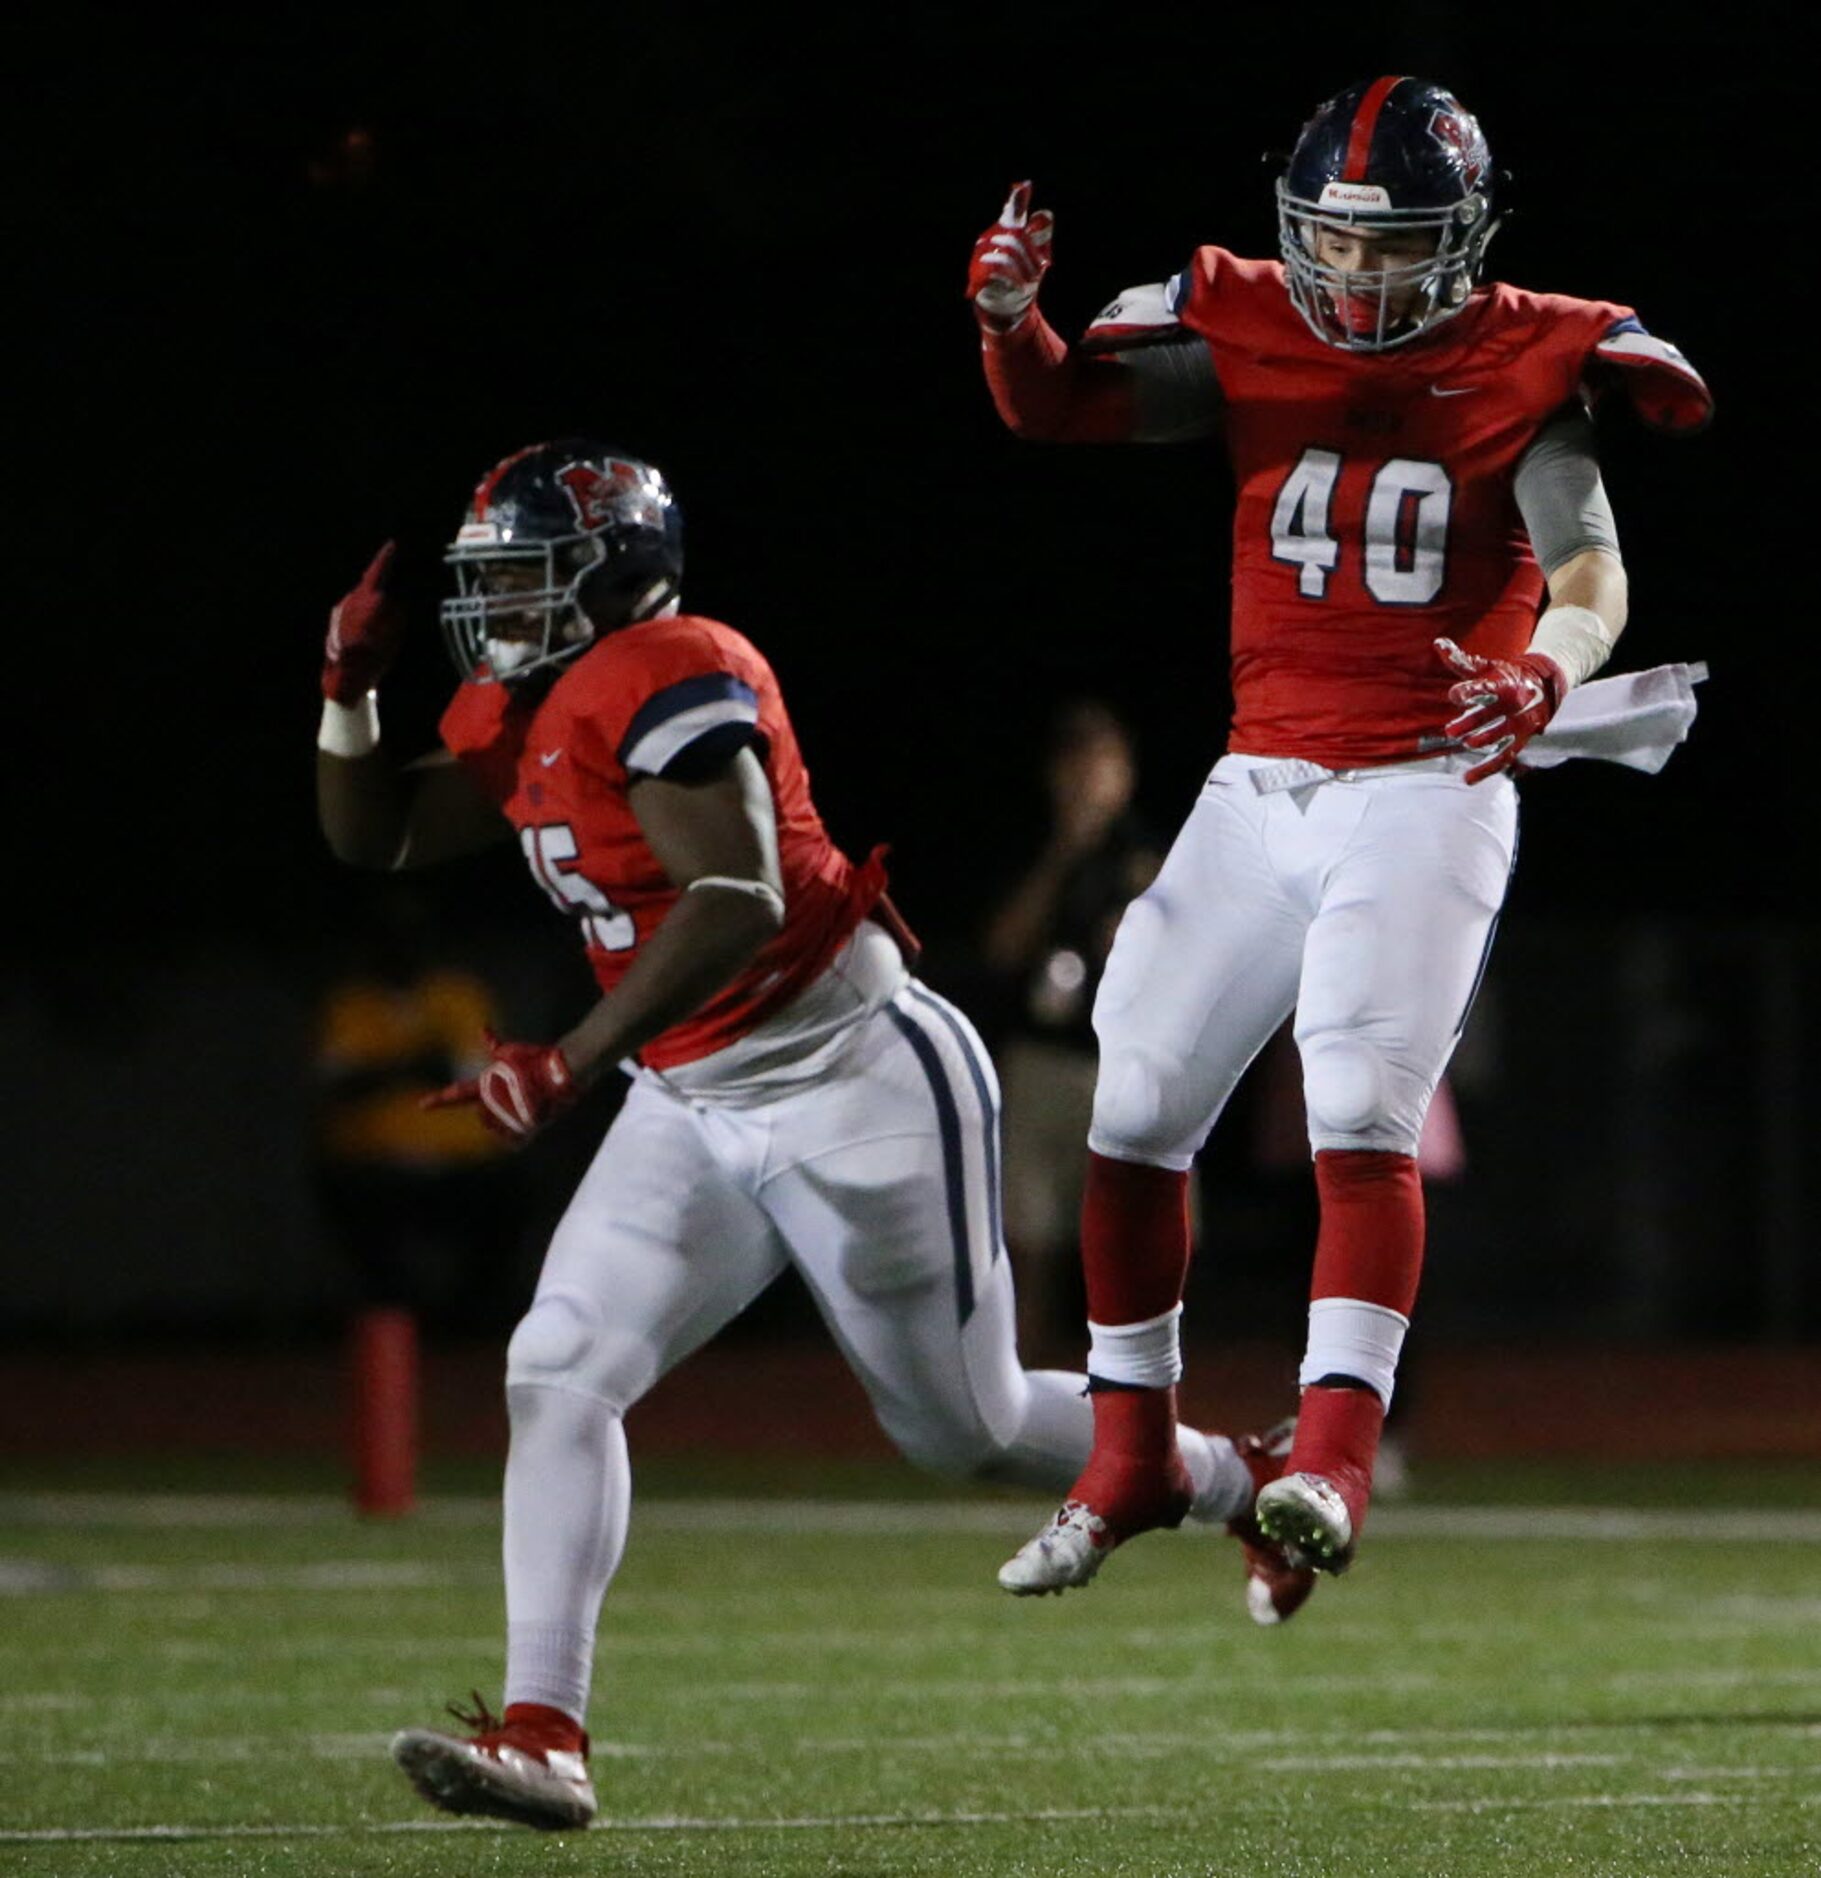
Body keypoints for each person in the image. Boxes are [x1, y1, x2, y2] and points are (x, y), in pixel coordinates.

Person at [314, 441, 1308, 1831]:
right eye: (487, 581)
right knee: (558, 1367)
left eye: (527, 575)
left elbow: (735, 888)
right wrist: (349, 694)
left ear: (616, 574)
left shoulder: (664, 668)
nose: (498, 609)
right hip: (690, 1092)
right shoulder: (527, 706)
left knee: (963, 1429)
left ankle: (1243, 1476)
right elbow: (383, 835)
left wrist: (570, 1061)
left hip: (852, 1073)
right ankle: (546, 1730)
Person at [965, 76, 1710, 1596]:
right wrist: (1009, 326)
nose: (1360, 277)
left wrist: (1546, 671)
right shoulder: (1250, 327)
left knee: (1361, 1110)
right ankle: (1130, 1449)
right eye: (1335, 245)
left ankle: (1336, 1457)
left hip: (1428, 779)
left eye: (1396, 248)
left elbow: (1590, 575)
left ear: (1468, 239)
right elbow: (1064, 404)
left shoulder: (1530, 357)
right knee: (1137, 1095)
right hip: (1257, 782)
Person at [977, 699, 1186, 1359]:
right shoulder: (1032, 852)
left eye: (1097, 760)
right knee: (1029, 1240)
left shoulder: (1150, 855)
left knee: (1136, 1242)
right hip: (1043, 1058)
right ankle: (1020, 1387)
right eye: (1072, 761)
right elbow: (1003, 949)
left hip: (1125, 1066)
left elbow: (1181, 959)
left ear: (1123, 772)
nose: (1083, 777)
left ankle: (1137, 1390)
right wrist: (1062, 857)